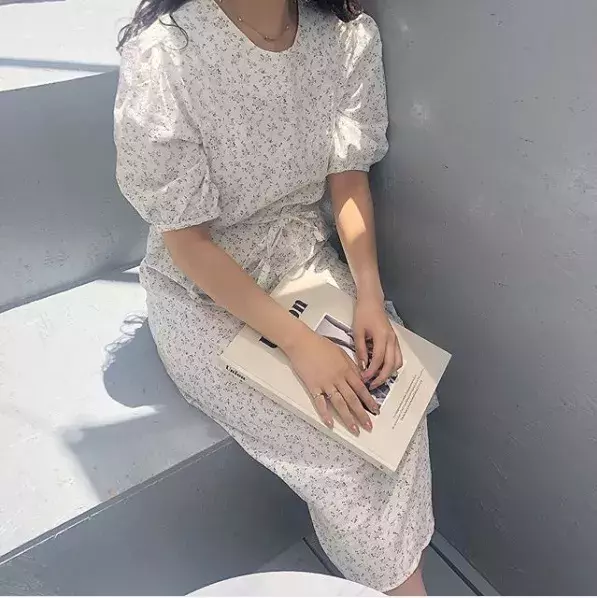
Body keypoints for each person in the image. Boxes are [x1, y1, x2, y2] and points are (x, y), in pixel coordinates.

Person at [114, 0, 432, 594]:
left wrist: (369, 295)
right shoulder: (164, 56)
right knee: (346, 452)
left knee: (395, 417)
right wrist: (299, 343)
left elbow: (348, 178)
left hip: (302, 260)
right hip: (205, 295)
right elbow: (188, 243)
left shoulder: (344, 37)